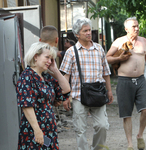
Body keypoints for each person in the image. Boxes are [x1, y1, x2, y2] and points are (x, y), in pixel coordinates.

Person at [60, 18, 113, 150]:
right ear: (77, 34)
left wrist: (109, 91)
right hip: (78, 95)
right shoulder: (71, 52)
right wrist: (65, 96)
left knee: (102, 125)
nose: (89, 33)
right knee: (80, 129)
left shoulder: (99, 49)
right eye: (85, 31)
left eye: (89, 30)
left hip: (98, 93)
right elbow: (65, 76)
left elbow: (106, 72)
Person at [16, 42, 70, 150]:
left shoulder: (45, 77)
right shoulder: (26, 76)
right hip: (33, 130)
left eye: (51, 59)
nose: (49, 61)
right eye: (47, 57)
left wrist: (55, 70)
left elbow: (66, 90)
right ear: (36, 56)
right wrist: (37, 130)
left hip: (49, 129)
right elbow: (27, 106)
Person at [106, 17, 146, 150]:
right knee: (126, 114)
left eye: (137, 26)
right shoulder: (119, 41)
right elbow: (107, 58)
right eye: (133, 26)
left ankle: (140, 135)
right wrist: (119, 58)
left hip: (140, 80)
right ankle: (130, 145)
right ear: (126, 29)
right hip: (124, 81)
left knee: (145, 110)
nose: (137, 28)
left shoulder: (144, 41)